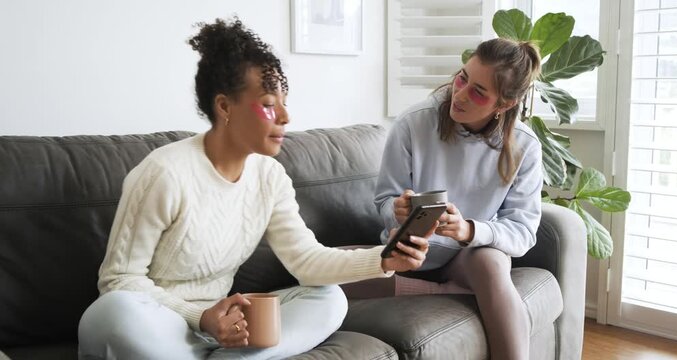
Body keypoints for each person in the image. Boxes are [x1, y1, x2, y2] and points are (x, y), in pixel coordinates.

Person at [77, 17, 430, 360]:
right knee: (113, 312)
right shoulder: (163, 173)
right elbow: (119, 280)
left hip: (225, 329)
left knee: (328, 299)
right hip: (162, 326)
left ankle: (233, 355)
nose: (285, 117)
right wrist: (202, 317)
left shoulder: (270, 176)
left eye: (285, 103)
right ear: (224, 106)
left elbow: (306, 262)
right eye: (268, 105)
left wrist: (383, 259)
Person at [373, 38, 543, 360]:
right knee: (321, 274)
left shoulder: (525, 146)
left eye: (478, 91)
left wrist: (468, 230)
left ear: (504, 104)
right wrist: (394, 209)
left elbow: (523, 232)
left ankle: (463, 286)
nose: (460, 93)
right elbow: (384, 198)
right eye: (462, 77)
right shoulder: (413, 122)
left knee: (491, 263)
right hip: (408, 257)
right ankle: (447, 293)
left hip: (469, 260)